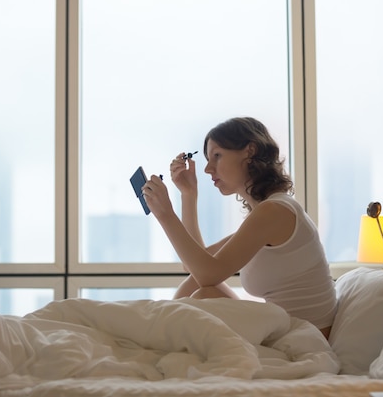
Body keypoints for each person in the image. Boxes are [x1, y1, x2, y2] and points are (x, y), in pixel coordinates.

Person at [141, 116, 337, 340]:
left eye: (217, 156)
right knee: (200, 286)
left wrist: (166, 215)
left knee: (205, 291)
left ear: (249, 151)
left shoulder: (274, 212)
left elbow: (207, 274)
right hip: (288, 329)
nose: (207, 169)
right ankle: (157, 336)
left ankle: (156, 337)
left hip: (305, 337)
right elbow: (195, 266)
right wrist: (188, 194)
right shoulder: (267, 212)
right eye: (207, 158)